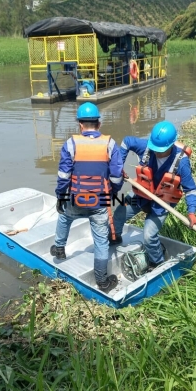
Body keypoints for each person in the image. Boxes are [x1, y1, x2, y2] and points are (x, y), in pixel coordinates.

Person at [51, 102, 124, 293]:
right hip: (100, 202)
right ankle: (102, 281)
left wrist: (60, 196)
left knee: (65, 215)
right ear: (99, 124)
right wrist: (113, 192)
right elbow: (116, 176)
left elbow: (63, 176)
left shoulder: (71, 144)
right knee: (101, 241)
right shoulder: (110, 144)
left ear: (80, 125)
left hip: (77, 198)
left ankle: (59, 248)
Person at [111, 120, 196, 269]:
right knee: (119, 213)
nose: (157, 152)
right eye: (155, 148)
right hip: (141, 194)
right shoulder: (147, 148)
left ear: (171, 145)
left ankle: (157, 262)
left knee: (149, 236)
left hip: (162, 202)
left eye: (161, 150)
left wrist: (192, 212)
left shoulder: (181, 162)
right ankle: (114, 238)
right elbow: (127, 141)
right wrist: (118, 166)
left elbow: (191, 190)